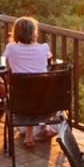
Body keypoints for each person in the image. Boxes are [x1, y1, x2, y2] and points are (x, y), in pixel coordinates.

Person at [3, 16, 53, 147]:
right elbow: (48, 64)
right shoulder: (44, 48)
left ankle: (30, 135)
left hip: (19, 99)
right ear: (33, 33)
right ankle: (44, 127)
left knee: (27, 90)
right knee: (39, 86)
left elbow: (8, 67)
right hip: (45, 100)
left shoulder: (10, 48)